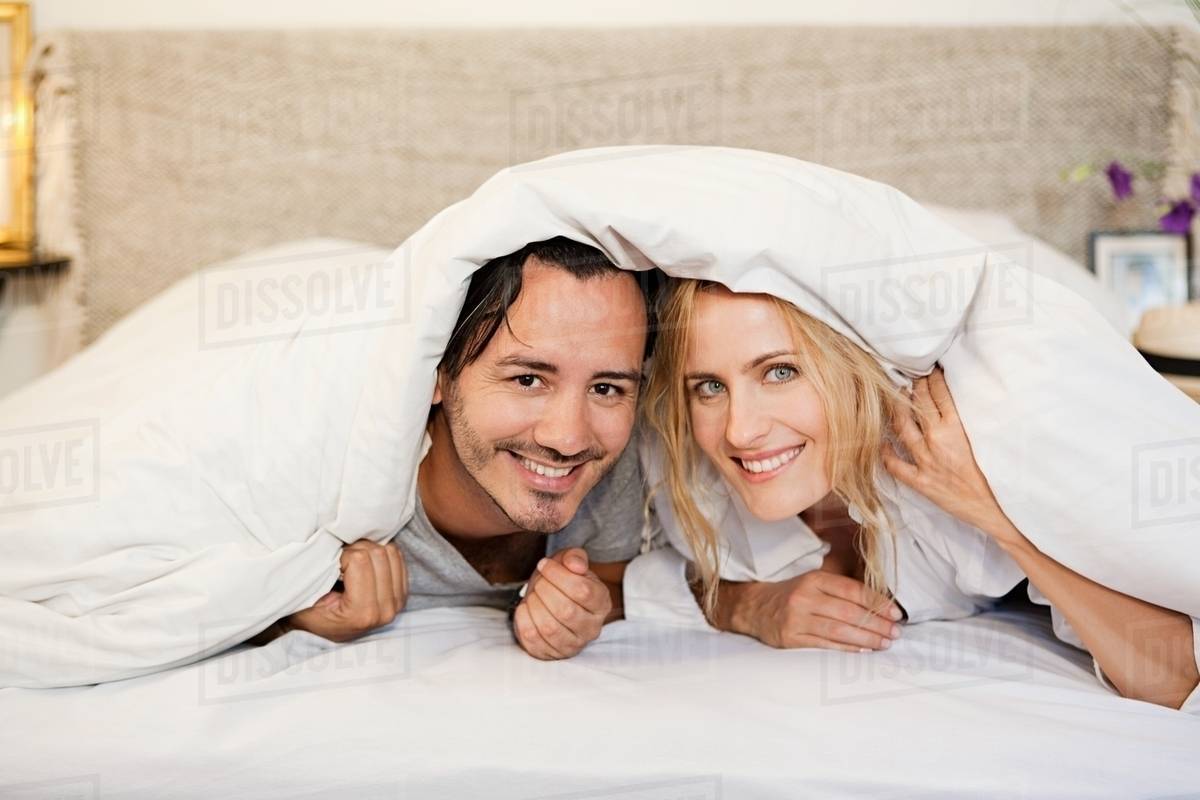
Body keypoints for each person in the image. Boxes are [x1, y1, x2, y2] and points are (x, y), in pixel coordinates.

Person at [641, 277, 1200, 710]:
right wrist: (747, 605)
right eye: (710, 386)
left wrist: (994, 513)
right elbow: (642, 575)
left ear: (849, 370)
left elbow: (1173, 679)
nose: (740, 430)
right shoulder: (689, 465)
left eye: (781, 372)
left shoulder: (949, 449)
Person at [258, 238, 654, 661]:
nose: (569, 438)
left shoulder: (612, 466)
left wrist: (583, 608)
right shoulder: (326, 477)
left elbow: (613, 577)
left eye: (606, 388)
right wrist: (295, 619)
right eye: (527, 379)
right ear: (437, 375)